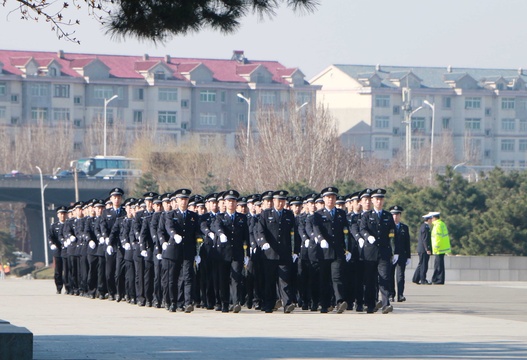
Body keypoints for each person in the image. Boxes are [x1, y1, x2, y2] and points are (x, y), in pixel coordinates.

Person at [306, 187, 349, 314]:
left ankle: (340, 301)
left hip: (338, 251)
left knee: (337, 277)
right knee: (324, 279)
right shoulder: (318, 215)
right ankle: (324, 304)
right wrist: (321, 239)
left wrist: (347, 248)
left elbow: (345, 231)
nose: (331, 199)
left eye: (333, 197)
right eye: (328, 197)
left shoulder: (341, 214)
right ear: (324, 199)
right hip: (323, 252)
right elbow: (316, 229)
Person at [256, 190, 299, 313]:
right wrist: (263, 243)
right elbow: (260, 231)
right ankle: (268, 304)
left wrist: (296, 250)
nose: (280, 203)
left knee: (284, 279)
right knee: (269, 280)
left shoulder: (289, 214)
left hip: (284, 253)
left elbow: (295, 234)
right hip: (269, 253)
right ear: (273, 201)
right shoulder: (265, 214)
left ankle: (287, 304)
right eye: (278, 200)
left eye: (282, 201)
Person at [211, 190, 250, 313]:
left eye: (233, 201)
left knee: (236, 278)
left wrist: (248, 254)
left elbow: (246, 237)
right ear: (225, 203)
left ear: (236, 203)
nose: (231, 203)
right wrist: (221, 234)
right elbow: (217, 227)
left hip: (237, 253)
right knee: (223, 278)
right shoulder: (220, 217)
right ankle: (224, 303)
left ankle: (236, 302)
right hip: (222, 254)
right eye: (229, 201)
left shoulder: (242, 218)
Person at [359, 188, 396, 314]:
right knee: (370, 279)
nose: (379, 201)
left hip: (384, 251)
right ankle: (370, 304)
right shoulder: (366, 215)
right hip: (370, 252)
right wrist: (367, 236)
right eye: (377, 199)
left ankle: (386, 304)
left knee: (384, 278)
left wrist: (394, 251)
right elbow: (362, 229)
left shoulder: (387, 216)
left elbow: (392, 234)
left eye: (381, 199)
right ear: (372, 200)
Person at [389, 205, 411, 302]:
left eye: (397, 214)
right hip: (391, 255)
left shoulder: (404, 228)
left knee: (400, 275)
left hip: (402, 255)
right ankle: (391, 294)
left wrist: (408, 256)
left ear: (400, 215)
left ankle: (400, 294)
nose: (395, 217)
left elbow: (407, 242)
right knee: (390, 275)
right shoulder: (388, 227)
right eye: (393, 214)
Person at [48, 206, 68, 294]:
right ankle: (59, 287)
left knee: (67, 270)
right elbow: (50, 237)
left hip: (67, 250)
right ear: (58, 215)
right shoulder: (54, 226)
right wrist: (52, 244)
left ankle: (68, 287)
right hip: (58, 251)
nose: (63, 216)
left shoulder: (68, 224)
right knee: (58, 271)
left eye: (64, 214)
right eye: (61, 214)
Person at [430, 212, 451, 285]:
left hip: (438, 249)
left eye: (431, 218)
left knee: (438, 265)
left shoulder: (437, 225)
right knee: (439, 264)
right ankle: (437, 279)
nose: (431, 220)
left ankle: (438, 280)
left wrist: (435, 248)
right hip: (442, 248)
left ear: (434, 218)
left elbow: (437, 238)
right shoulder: (442, 224)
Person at [413, 213, 432, 285]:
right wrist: (427, 249)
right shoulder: (425, 227)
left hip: (422, 249)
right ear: (429, 219)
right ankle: (423, 279)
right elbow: (425, 239)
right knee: (424, 265)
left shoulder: (424, 226)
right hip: (423, 249)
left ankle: (416, 278)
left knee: (421, 264)